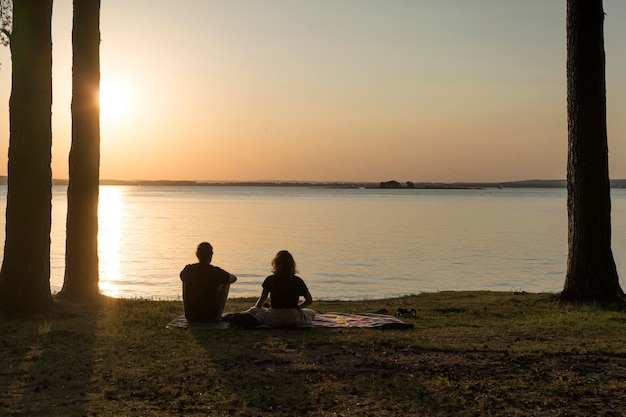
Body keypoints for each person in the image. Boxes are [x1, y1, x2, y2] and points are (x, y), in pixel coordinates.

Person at [245, 250, 315, 327]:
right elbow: (309, 300)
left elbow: (262, 300)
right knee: (311, 312)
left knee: (253, 310)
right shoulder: (297, 281)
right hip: (293, 318)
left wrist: (256, 309)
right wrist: (297, 307)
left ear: (276, 264)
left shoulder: (270, 279)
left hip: (273, 318)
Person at [180, 242, 237, 323]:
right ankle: (218, 314)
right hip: (210, 316)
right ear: (211, 255)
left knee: (185, 279)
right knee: (226, 282)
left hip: (190, 316)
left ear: (197, 255)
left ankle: (190, 309)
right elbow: (234, 278)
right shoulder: (215, 272)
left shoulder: (188, 269)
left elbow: (182, 277)